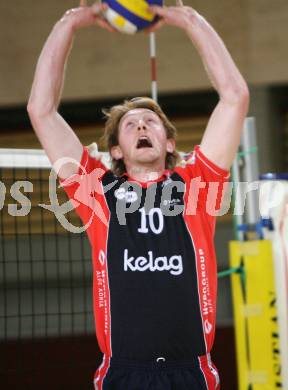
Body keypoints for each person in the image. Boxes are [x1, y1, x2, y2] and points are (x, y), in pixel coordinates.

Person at [27, 0, 249, 389]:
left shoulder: (197, 185)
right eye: (130, 124)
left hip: (191, 371)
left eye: (151, 121)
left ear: (168, 143)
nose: (142, 125)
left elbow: (234, 96)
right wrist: (69, 23)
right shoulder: (97, 191)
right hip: (122, 372)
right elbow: (41, 110)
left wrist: (190, 19)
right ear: (115, 150)